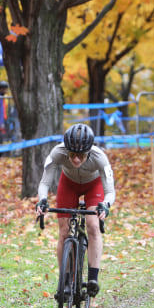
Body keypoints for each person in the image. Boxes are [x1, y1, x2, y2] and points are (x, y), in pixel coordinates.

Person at [34, 123, 115, 297]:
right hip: (68, 184)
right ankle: (65, 280)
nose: (76, 159)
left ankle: (93, 277)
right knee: (64, 231)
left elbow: (110, 191)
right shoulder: (58, 152)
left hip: (94, 186)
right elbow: (44, 182)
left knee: (93, 225)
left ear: (89, 152)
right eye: (71, 154)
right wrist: (42, 200)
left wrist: (105, 205)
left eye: (80, 155)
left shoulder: (99, 157)